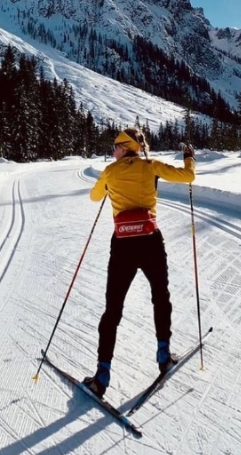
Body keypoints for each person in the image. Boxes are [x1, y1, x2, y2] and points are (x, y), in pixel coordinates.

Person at [83, 128, 196, 398]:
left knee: (113, 310)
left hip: (122, 246)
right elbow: (188, 176)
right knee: (160, 296)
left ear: (125, 147)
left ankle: (101, 376)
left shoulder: (110, 171)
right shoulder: (151, 166)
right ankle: (164, 355)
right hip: (150, 242)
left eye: (115, 146)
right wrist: (189, 157)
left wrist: (111, 186)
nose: (113, 151)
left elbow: (94, 197)